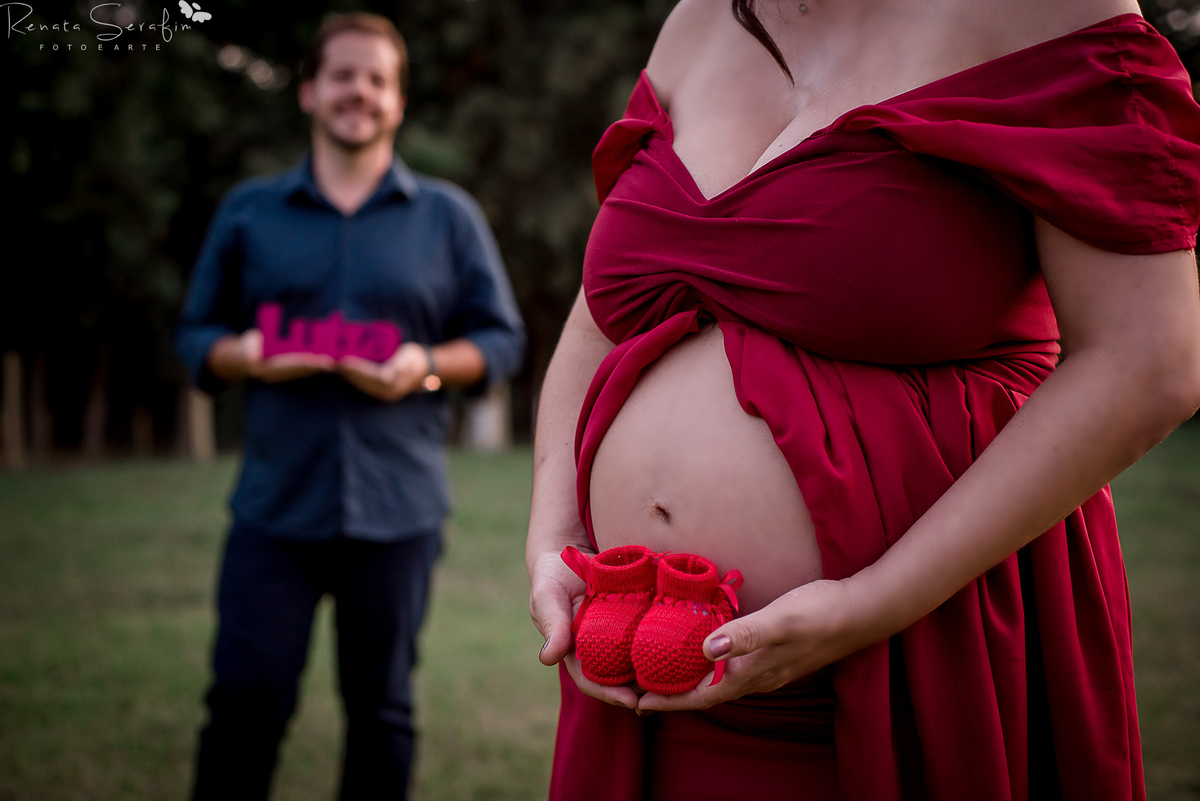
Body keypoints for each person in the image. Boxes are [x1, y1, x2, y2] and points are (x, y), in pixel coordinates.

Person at [525, 0, 1200, 798]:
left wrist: (871, 603)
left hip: (913, 656)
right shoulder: (701, 20)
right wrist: (556, 534)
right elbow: (600, 313)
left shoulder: (1049, 12)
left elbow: (1145, 364)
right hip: (638, 657)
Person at [176, 12, 525, 800]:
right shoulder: (247, 213)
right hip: (275, 508)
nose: (358, 93)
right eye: (342, 75)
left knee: (382, 713)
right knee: (243, 705)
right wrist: (243, 354)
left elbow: (501, 341)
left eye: (377, 79)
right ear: (308, 90)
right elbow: (195, 334)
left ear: (398, 101)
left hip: (399, 513)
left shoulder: (448, 217)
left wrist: (425, 366)